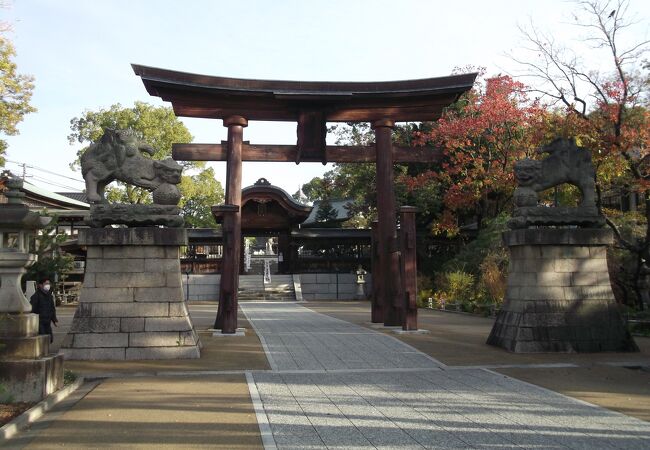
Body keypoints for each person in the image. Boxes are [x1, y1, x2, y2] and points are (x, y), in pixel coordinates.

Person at [30, 278, 58, 343]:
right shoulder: (36, 296)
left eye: (49, 283)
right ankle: (43, 352)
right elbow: (32, 309)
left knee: (49, 339)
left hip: (47, 321)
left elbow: (52, 308)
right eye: (46, 283)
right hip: (40, 322)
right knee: (42, 339)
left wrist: (54, 319)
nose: (48, 285)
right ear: (40, 285)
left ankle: (46, 351)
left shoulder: (49, 296)